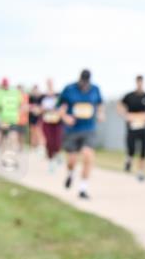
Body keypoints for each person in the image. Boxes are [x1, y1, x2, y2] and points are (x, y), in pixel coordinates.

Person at [58, 70, 104, 199]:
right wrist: (66, 117)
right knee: (72, 160)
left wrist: (101, 114)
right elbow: (61, 108)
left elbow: (100, 105)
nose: (84, 85)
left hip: (89, 129)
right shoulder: (69, 89)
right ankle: (71, 173)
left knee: (87, 154)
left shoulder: (95, 89)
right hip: (72, 130)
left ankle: (83, 188)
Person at [117, 75, 145, 181]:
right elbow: (120, 106)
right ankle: (129, 159)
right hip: (132, 126)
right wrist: (126, 116)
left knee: (143, 149)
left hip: (144, 126)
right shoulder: (129, 96)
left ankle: (140, 172)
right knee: (131, 147)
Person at [0, 78, 25, 166]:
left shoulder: (15, 93)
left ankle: (12, 159)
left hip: (13, 120)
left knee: (13, 139)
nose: (5, 86)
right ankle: (4, 158)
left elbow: (21, 104)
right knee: (3, 140)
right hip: (2, 121)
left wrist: (18, 112)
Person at [39, 79, 64, 170]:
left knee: (57, 141)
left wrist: (56, 109)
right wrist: (44, 109)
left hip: (56, 122)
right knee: (49, 141)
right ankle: (51, 161)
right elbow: (40, 109)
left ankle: (57, 154)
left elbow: (62, 107)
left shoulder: (58, 96)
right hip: (47, 122)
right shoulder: (42, 97)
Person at [27, 84, 45, 153]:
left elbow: (42, 107)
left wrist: (38, 109)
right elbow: (28, 106)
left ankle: (38, 146)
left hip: (39, 117)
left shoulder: (41, 98)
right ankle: (32, 147)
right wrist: (32, 108)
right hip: (31, 117)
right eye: (34, 90)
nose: (35, 91)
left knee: (39, 132)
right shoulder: (30, 98)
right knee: (32, 132)